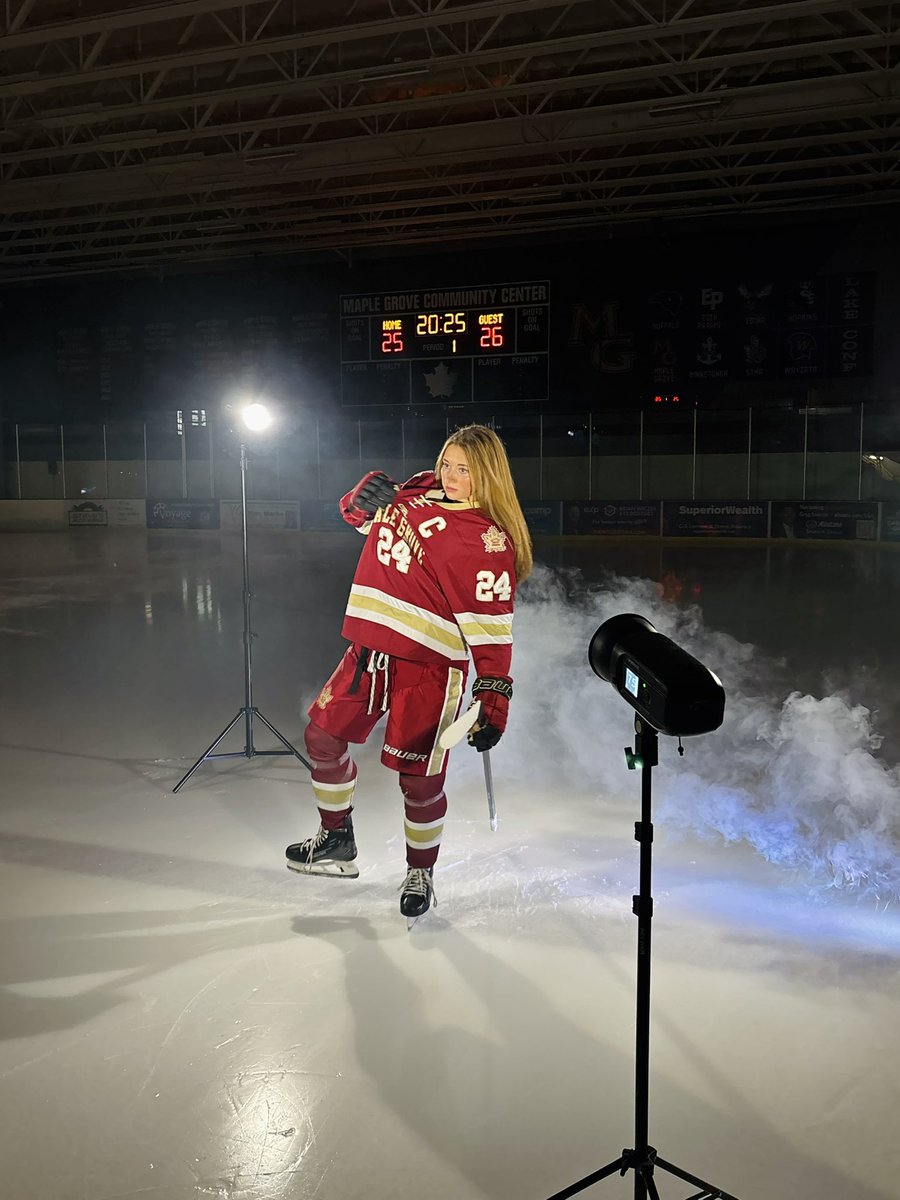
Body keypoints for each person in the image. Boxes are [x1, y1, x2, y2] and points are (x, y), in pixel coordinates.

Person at [285, 424, 533, 921]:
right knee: (322, 738)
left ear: (488, 475)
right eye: (447, 463)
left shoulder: (488, 541)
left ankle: (421, 870)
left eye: (464, 469)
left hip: (431, 670)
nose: (450, 475)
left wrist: (494, 699)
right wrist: (361, 497)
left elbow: (491, 631)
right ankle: (337, 838)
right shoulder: (420, 487)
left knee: (418, 781)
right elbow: (361, 521)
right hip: (370, 651)